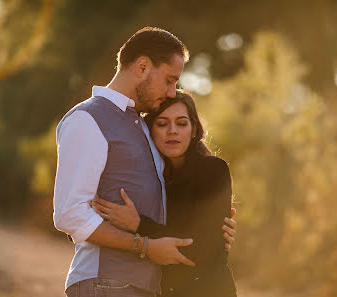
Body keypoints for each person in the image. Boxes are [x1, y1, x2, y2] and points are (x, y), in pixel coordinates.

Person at [53, 27, 236, 297]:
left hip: (147, 287)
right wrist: (144, 246)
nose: (173, 92)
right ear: (142, 67)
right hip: (106, 283)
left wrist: (214, 230)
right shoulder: (88, 119)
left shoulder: (141, 126)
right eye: (169, 80)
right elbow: (71, 214)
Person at [91, 90, 237, 297]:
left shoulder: (213, 170)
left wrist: (138, 225)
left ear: (194, 129)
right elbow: (94, 223)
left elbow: (201, 250)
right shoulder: (146, 180)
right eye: (162, 124)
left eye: (181, 123)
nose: (172, 131)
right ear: (150, 131)